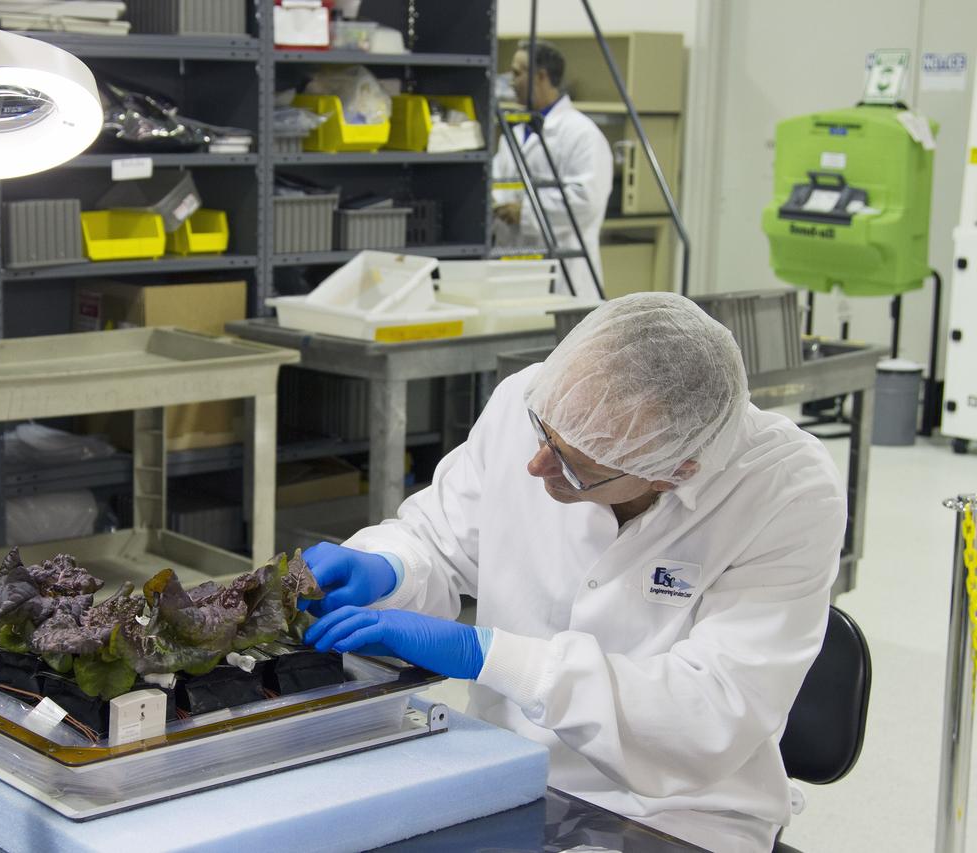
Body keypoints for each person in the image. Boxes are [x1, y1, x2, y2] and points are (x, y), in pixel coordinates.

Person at [302, 293, 845, 853]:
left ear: (673, 473)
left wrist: (491, 656)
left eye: (575, 467)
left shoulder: (786, 492)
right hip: (498, 762)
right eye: (541, 436)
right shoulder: (544, 400)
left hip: (676, 813)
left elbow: (708, 713)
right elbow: (440, 538)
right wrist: (391, 566)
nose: (537, 465)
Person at [493, 41, 613, 302]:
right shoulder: (512, 134)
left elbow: (586, 201)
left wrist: (523, 212)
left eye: (517, 73)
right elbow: (496, 184)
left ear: (541, 76)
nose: (510, 82)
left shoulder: (582, 134)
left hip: (565, 278)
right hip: (516, 272)